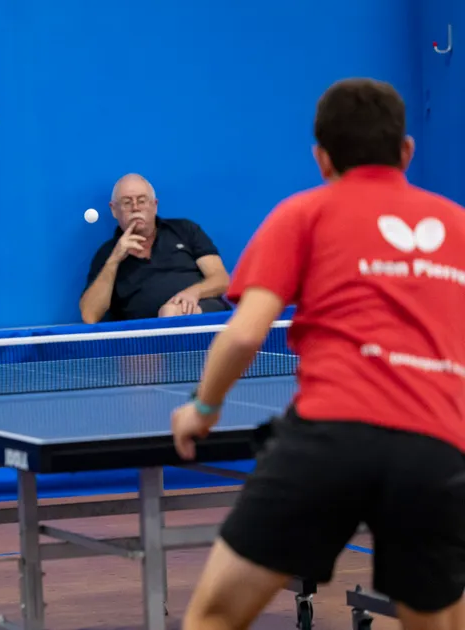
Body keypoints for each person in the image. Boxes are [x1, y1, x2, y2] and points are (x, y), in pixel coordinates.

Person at [171, 77, 465, 630]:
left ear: (322, 158)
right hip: (434, 450)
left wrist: (202, 408)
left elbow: (243, 334)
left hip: (330, 439)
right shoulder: (458, 225)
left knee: (214, 616)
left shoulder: (304, 213)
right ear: (406, 151)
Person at [79, 173, 232, 323]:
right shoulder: (107, 254)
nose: (135, 208)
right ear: (114, 210)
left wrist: (193, 293)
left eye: (142, 201)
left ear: (155, 205)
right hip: (145, 340)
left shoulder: (185, 230)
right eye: (127, 202)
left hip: (202, 314)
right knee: (169, 313)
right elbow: (89, 316)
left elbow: (222, 280)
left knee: (171, 312)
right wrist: (114, 260)